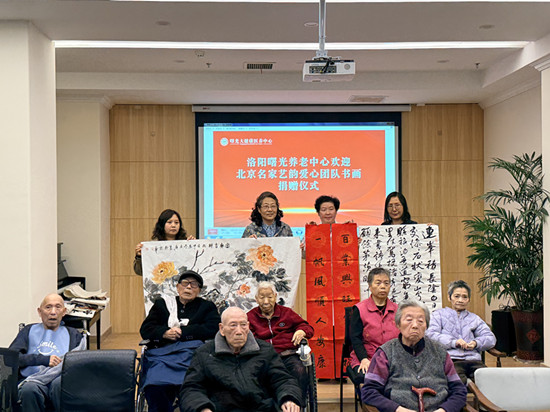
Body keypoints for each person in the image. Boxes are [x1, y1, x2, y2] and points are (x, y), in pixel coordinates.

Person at [179, 307, 303, 412]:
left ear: (248, 327)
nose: (239, 331)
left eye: (243, 325)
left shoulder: (265, 350)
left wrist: (289, 398)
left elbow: (282, 380)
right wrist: (202, 408)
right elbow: (191, 388)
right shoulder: (204, 353)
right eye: (233, 325)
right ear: (222, 329)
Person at [361, 300, 467, 412]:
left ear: (426, 326)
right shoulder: (385, 353)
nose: (415, 325)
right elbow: (369, 392)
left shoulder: (440, 352)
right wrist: (398, 410)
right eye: (409, 320)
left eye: (420, 321)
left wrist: (443, 410)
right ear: (398, 324)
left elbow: (459, 390)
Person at [140, 270, 220, 412]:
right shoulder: (162, 304)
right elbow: (146, 329)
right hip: (162, 356)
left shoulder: (207, 307)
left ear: (199, 290)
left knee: (194, 384)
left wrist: (184, 332)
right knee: (155, 385)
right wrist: (164, 333)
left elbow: (213, 328)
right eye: (185, 283)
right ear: (178, 287)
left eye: (194, 285)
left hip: (193, 354)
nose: (188, 287)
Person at [9, 293, 86, 412]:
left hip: (59, 380)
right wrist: (43, 360)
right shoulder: (28, 331)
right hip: (33, 379)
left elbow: (80, 362)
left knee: (60, 385)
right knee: (28, 389)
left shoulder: (73, 334)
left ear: (64, 312)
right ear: (40, 312)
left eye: (58, 307)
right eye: (48, 307)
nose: (53, 312)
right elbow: (11, 358)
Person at [247, 282, 314, 398]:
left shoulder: (286, 313)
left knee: (299, 370)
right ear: (256, 299)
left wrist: (301, 331)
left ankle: (298, 402)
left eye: (270, 297)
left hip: (287, 355)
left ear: (275, 296)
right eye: (262, 297)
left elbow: (307, 327)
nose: (266, 301)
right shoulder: (250, 317)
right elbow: (246, 336)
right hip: (263, 357)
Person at [426, 280, 496, 384]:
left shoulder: (474, 318)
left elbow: (490, 338)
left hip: (474, 360)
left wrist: (476, 343)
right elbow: (430, 335)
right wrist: (454, 342)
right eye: (457, 296)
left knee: (489, 382)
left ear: (469, 300)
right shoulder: (438, 315)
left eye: (464, 297)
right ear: (449, 297)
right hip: (451, 360)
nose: (460, 300)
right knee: (458, 384)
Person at [349, 267, 399, 375]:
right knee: (369, 375)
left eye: (386, 283)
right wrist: (363, 359)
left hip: (393, 358)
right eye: (378, 283)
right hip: (367, 357)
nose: (383, 286)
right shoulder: (360, 309)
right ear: (370, 286)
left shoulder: (398, 309)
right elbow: (355, 338)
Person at [134, 208, 195, 275]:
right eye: (169, 222)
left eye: (176, 222)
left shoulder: (186, 244)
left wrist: (194, 247)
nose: (173, 225)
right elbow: (139, 272)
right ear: (162, 225)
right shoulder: (152, 247)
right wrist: (139, 257)